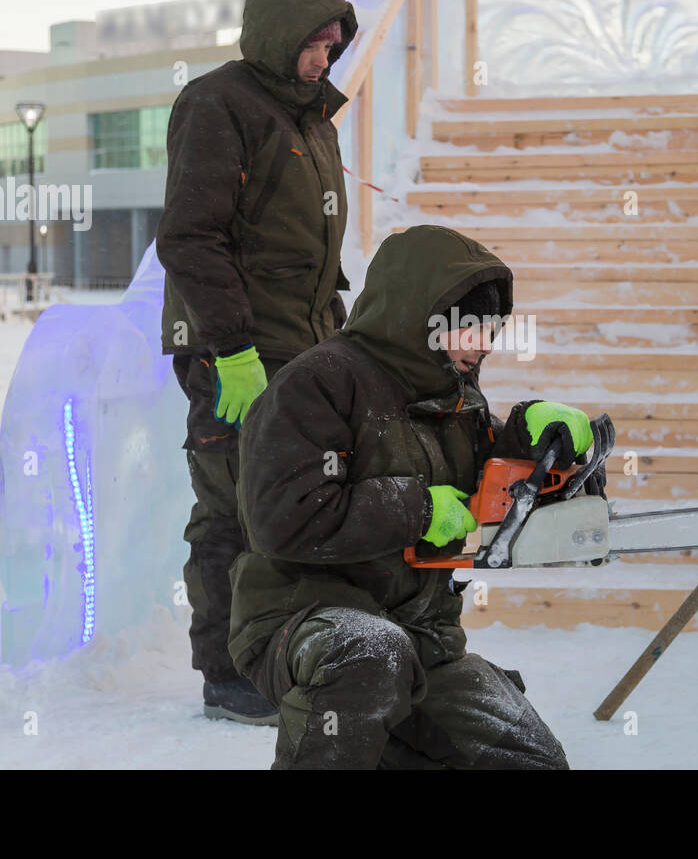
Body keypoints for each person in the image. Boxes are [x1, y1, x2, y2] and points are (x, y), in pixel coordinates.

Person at [227, 224, 596, 768]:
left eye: (490, 329)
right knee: (371, 653)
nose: (483, 344)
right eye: (469, 327)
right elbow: (282, 519)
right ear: (422, 316)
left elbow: (489, 477)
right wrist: (417, 509)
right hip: (302, 618)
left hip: (423, 638)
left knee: (529, 759)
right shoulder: (317, 384)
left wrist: (535, 441)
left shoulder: (456, 397)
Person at [155, 0, 358, 725]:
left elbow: (309, 252)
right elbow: (190, 237)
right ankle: (228, 678)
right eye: (312, 44)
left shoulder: (311, 120)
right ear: (279, 35)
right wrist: (230, 348)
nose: (323, 59)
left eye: (332, 47)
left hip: (300, 350)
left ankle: (281, 658)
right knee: (232, 513)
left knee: (292, 512)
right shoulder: (218, 103)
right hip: (234, 354)